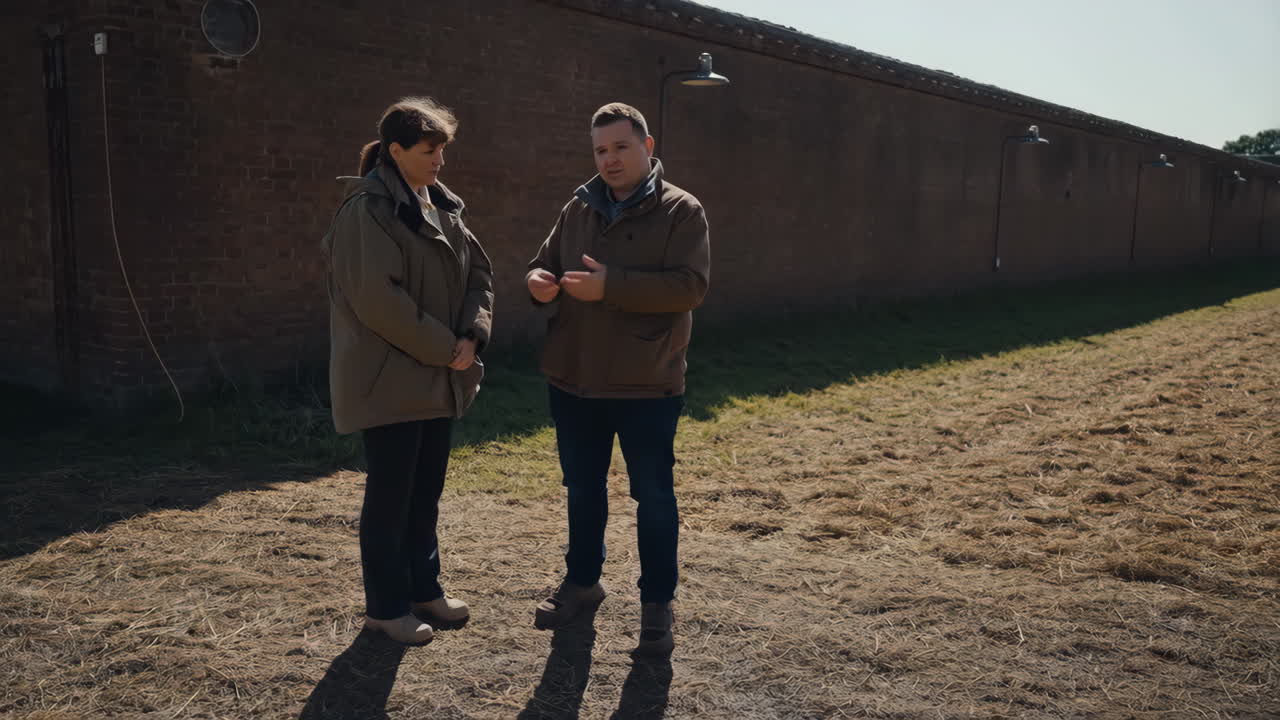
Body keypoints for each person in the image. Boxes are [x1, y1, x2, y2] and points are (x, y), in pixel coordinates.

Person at [525, 102, 711, 656]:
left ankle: (658, 605)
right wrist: (536, 281)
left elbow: (690, 286)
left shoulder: (682, 211)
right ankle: (582, 584)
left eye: (621, 147)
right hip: (574, 377)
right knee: (582, 491)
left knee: (652, 498)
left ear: (647, 147)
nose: (609, 159)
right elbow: (545, 263)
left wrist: (612, 286)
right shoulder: (576, 206)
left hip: (646, 384)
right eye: (601, 150)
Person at [321, 97, 494, 646]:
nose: (441, 158)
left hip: (439, 377)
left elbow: (479, 276)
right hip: (388, 379)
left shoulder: (445, 206)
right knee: (391, 497)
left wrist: (472, 335)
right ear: (395, 151)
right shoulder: (366, 211)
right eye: (429, 149)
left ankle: (425, 590)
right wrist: (448, 349)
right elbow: (379, 301)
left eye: (443, 147)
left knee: (425, 494)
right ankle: (386, 608)